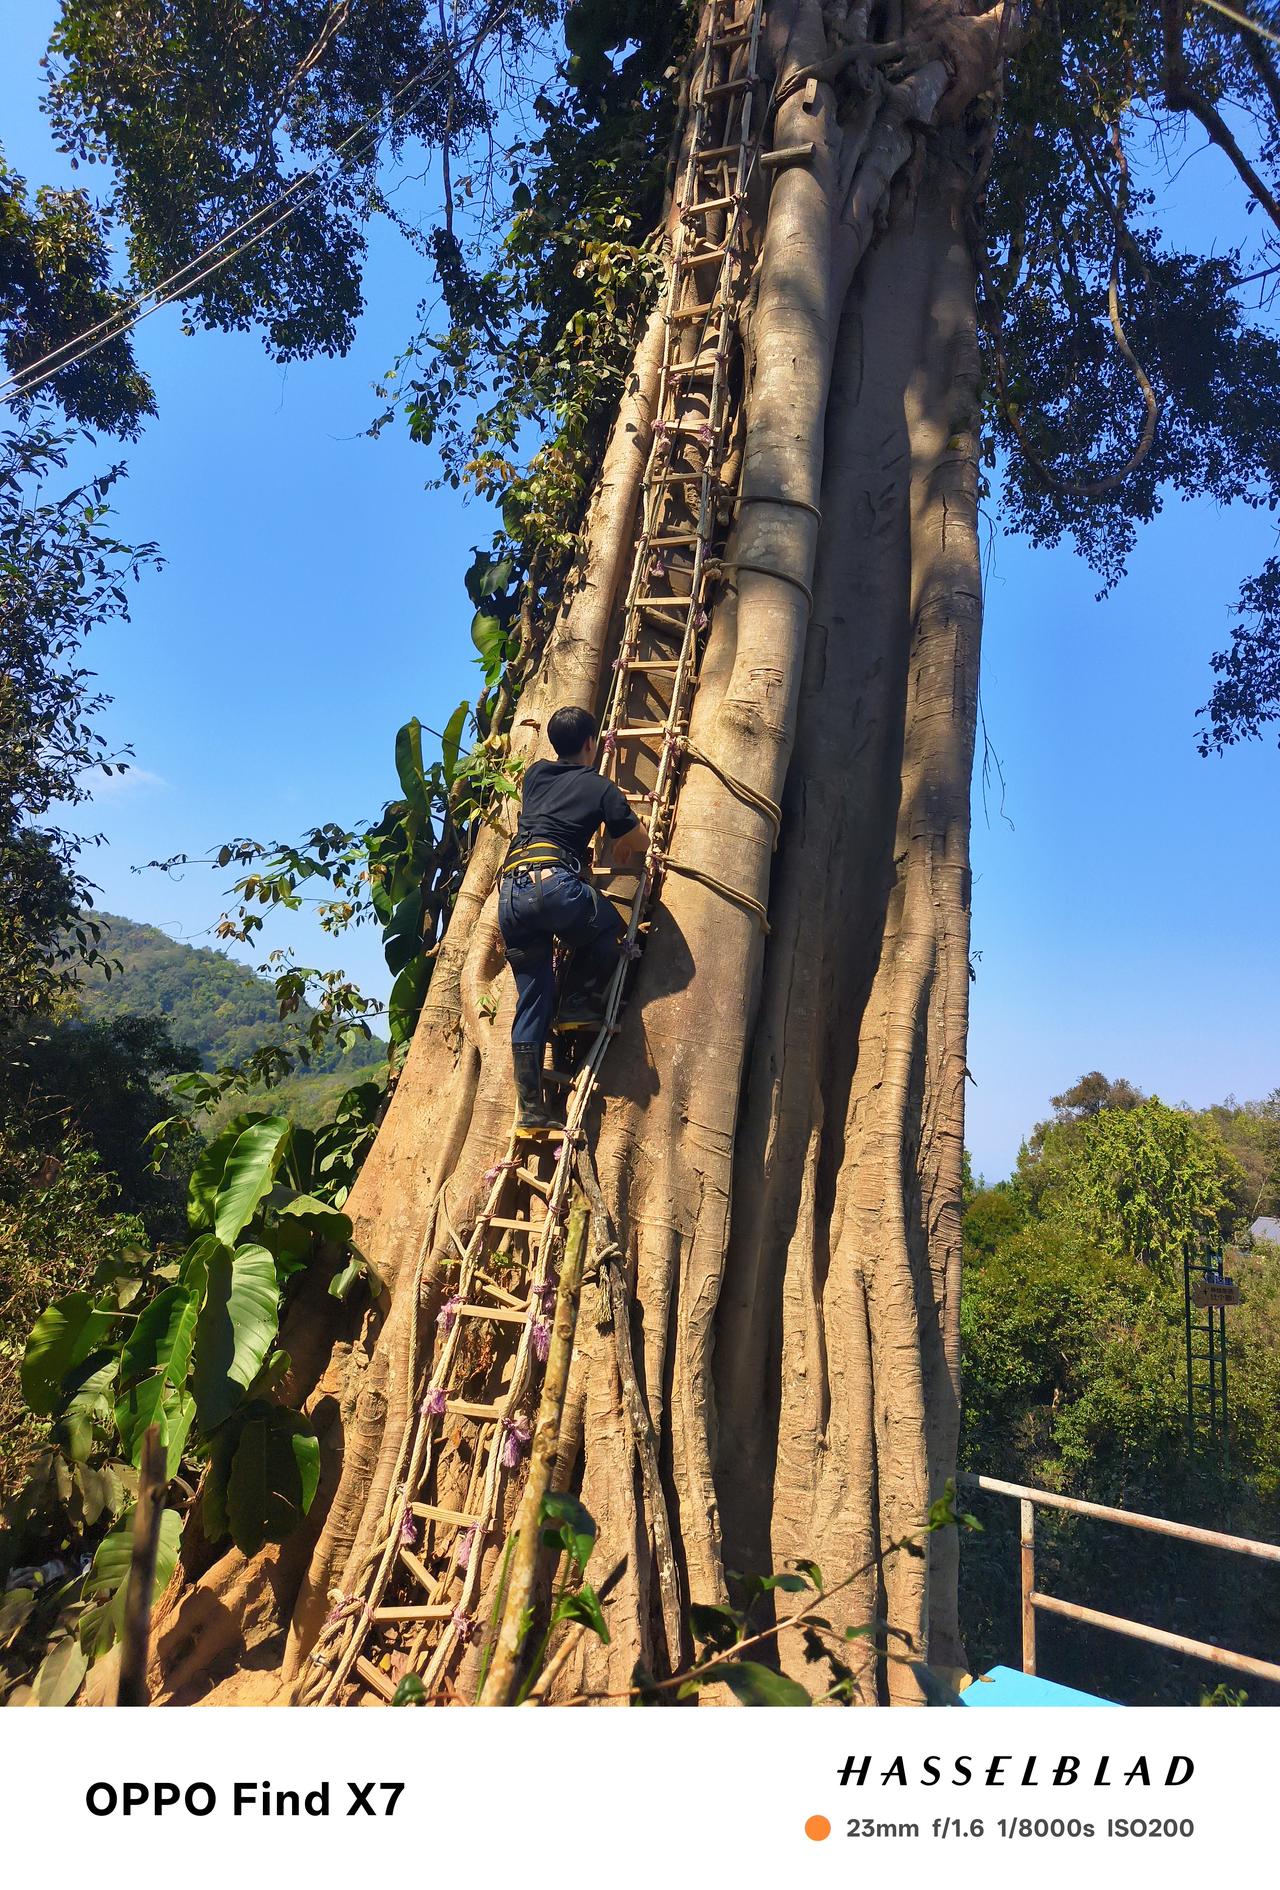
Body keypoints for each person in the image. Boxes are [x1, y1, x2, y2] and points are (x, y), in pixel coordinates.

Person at [498, 705, 643, 1130]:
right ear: (590, 744)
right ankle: (578, 1002)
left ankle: (530, 1110)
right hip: (554, 887)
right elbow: (639, 838)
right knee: (609, 927)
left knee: (532, 998)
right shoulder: (600, 787)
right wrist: (622, 839)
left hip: (511, 895)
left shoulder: (535, 776)